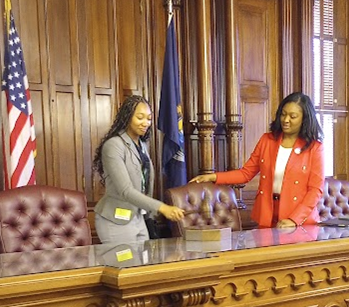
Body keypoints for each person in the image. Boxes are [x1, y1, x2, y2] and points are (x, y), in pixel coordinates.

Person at [191, 92, 325, 229]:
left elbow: (315, 190)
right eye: (283, 114)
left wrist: (294, 219)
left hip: (299, 219)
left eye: (293, 116)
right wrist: (213, 177)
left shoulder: (314, 148)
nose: (285, 120)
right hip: (268, 212)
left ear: (305, 119)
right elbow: (245, 174)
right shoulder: (267, 140)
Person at [93, 95, 185, 243]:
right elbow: (126, 191)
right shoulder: (113, 145)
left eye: (148, 118)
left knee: (143, 264)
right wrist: (162, 208)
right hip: (115, 219)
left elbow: (144, 183)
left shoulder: (141, 145)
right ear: (128, 117)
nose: (146, 123)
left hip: (138, 217)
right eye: (140, 117)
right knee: (127, 263)